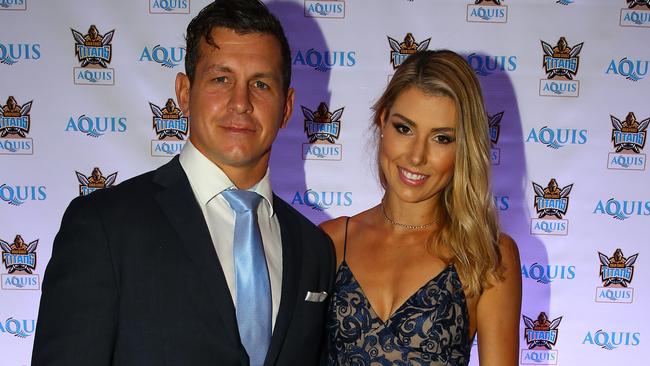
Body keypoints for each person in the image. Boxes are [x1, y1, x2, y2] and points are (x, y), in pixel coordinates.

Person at [31, 1, 335, 365]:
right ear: (185, 93)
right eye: (221, 79)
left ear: (286, 107)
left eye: (261, 84)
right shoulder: (104, 226)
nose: (241, 103)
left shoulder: (314, 249)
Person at [322, 50, 521, 365]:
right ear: (382, 120)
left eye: (441, 138)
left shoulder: (487, 255)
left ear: (464, 148)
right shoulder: (331, 241)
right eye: (404, 129)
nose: (416, 156)